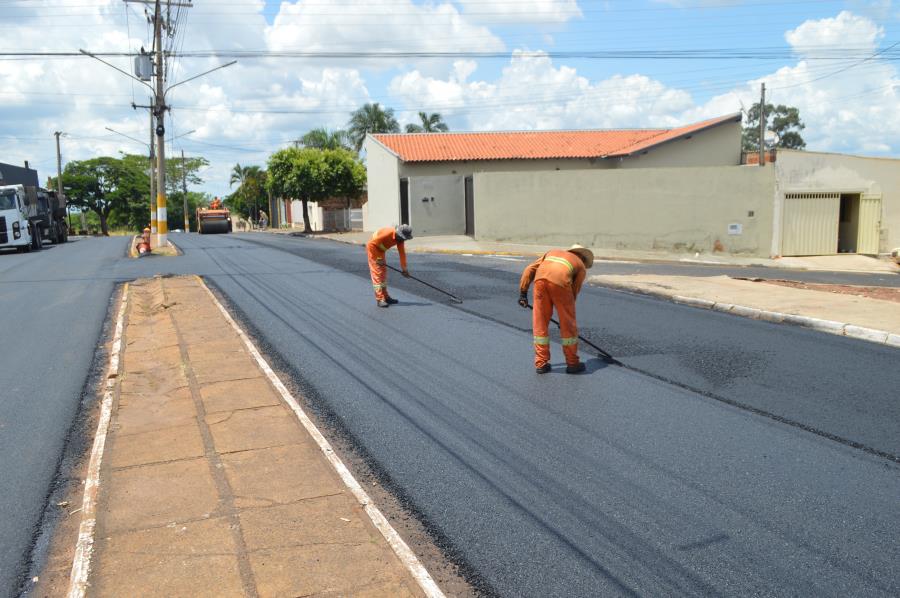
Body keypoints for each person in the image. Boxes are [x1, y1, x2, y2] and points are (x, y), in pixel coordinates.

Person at [518, 244, 594, 374]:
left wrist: (523, 293)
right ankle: (572, 363)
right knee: (568, 326)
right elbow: (574, 292)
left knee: (540, 322)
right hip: (561, 284)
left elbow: (529, 269)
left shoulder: (551, 253)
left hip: (539, 282)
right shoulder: (580, 266)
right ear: (583, 257)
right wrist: (565, 318)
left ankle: (541, 364)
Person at [366, 224, 412, 307]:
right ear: (398, 233)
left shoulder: (400, 240)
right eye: (402, 237)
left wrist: (404, 269)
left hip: (381, 250)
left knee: (383, 273)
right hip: (373, 248)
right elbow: (371, 243)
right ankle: (380, 299)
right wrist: (378, 259)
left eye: (404, 238)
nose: (403, 240)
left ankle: (385, 297)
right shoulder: (388, 233)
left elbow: (402, 254)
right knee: (377, 273)